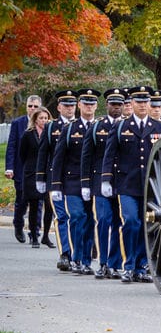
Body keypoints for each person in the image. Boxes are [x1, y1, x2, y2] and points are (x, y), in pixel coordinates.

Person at [101, 85, 161, 283]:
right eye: (138, 102)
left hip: (151, 186)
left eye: (145, 102)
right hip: (127, 184)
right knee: (131, 222)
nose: (142, 105)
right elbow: (109, 154)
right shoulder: (121, 126)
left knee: (147, 225)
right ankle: (128, 265)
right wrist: (106, 179)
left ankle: (142, 266)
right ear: (131, 103)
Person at [51, 88, 100, 274]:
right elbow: (58, 158)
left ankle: (86, 260)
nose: (89, 107)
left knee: (89, 220)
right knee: (77, 217)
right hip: (72, 181)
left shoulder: (99, 127)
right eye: (85, 103)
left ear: (96, 106)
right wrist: (56, 184)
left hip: (92, 181)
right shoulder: (70, 128)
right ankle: (76, 257)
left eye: (92, 104)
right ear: (79, 105)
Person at [81, 88, 128, 279]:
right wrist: (85, 184)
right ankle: (102, 262)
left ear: (124, 106)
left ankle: (115, 263)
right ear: (107, 105)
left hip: (122, 182)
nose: (116, 108)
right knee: (103, 220)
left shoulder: (127, 126)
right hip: (100, 182)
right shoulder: (96, 126)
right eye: (113, 104)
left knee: (119, 223)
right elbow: (87, 156)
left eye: (119, 105)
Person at [36, 90, 78, 270]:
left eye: (72, 105)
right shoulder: (52, 127)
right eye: (66, 105)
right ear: (59, 107)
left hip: (76, 178)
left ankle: (78, 252)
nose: (69, 108)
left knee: (78, 216)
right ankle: (65, 254)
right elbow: (43, 152)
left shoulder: (80, 126)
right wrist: (41, 177)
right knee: (62, 216)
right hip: (57, 179)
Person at [5, 95, 42, 243]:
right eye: (30, 106)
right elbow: (12, 146)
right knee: (22, 200)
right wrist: (9, 168)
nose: (32, 109)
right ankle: (18, 225)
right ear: (26, 107)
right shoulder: (18, 123)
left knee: (38, 202)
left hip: (39, 170)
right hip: (21, 170)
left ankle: (35, 232)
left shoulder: (45, 123)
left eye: (35, 106)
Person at [18, 106, 52, 247]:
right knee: (33, 205)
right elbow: (22, 154)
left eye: (45, 118)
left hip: (48, 173)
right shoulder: (28, 134)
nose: (43, 121)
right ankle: (34, 236)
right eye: (41, 118)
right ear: (35, 120)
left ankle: (45, 236)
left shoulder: (51, 132)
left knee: (49, 206)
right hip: (32, 173)